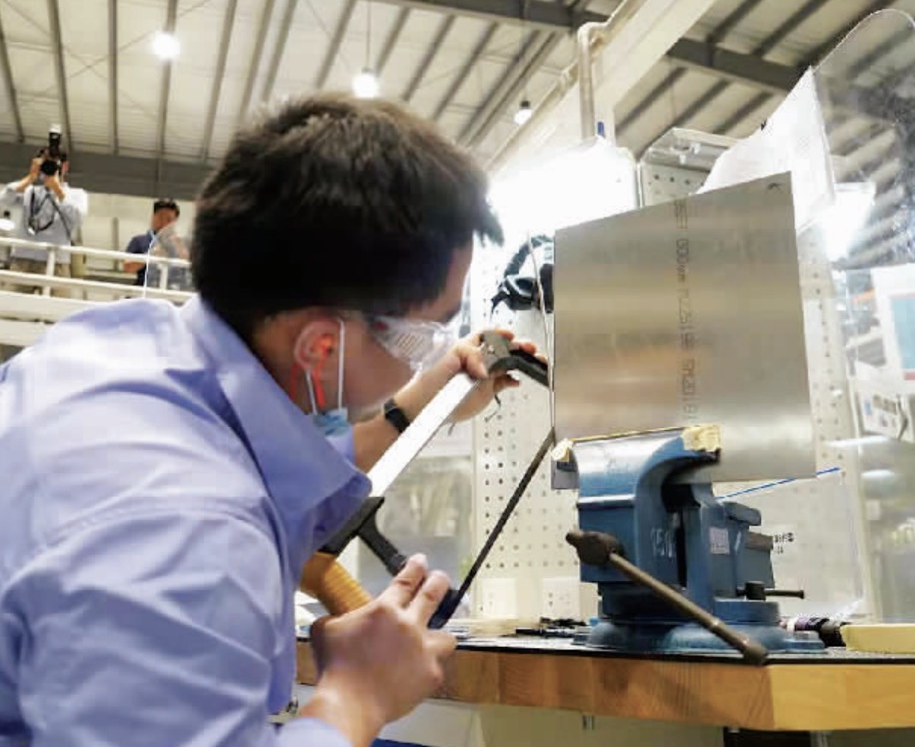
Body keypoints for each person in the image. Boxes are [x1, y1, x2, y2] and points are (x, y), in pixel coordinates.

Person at [0, 93, 533, 745]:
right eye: (423, 336)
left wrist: (427, 395)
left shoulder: (121, 345)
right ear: (321, 347)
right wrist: (355, 698)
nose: (426, 355)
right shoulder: (191, 539)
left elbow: (282, 469)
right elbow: (209, 514)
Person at [0, 151, 88, 296]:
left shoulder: (76, 194)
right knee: (12, 305)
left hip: (57, 261)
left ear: (65, 167)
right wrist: (30, 177)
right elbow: (3, 201)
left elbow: (78, 219)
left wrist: (58, 190)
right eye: (46, 163)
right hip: (23, 258)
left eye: (54, 164)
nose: (49, 167)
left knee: (57, 307)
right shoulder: (29, 191)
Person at [124, 197, 181, 286]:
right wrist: (150, 254)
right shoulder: (139, 241)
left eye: (169, 219)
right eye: (160, 217)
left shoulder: (181, 244)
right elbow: (128, 268)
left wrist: (178, 247)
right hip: (143, 289)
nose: (164, 223)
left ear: (175, 222)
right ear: (153, 217)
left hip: (172, 291)